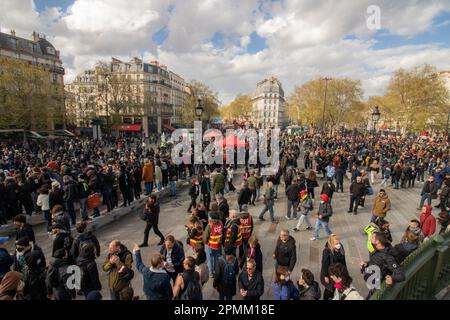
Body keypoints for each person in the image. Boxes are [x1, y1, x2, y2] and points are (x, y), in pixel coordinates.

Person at [361, 232, 406, 299]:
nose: (370, 237)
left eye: (373, 237)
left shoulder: (387, 257)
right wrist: (367, 263)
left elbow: (402, 275)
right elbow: (379, 261)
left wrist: (392, 279)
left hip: (378, 287)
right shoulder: (379, 249)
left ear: (377, 241)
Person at [320, 234, 347, 300]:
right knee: (330, 289)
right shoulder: (327, 251)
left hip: (338, 273)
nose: (338, 244)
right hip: (330, 274)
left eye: (339, 242)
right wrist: (325, 276)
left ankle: (334, 297)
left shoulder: (341, 247)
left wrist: (345, 271)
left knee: (336, 287)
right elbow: (324, 264)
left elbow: (343, 261)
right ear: (332, 244)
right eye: (336, 243)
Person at [203, 209, 223, 277]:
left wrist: (205, 243)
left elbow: (205, 237)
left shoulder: (210, 225)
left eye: (209, 217)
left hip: (210, 245)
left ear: (211, 218)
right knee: (216, 258)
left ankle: (211, 272)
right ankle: (216, 270)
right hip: (217, 244)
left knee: (209, 259)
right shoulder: (220, 222)